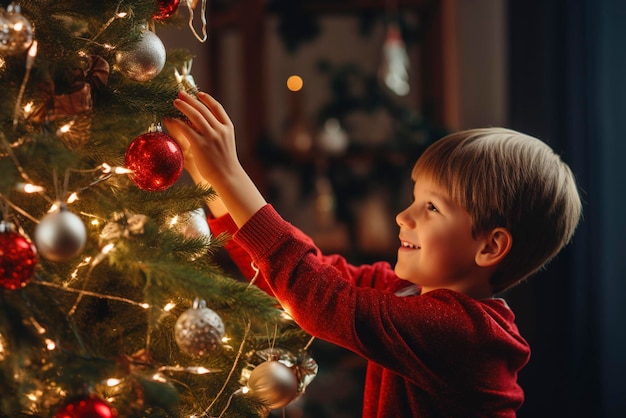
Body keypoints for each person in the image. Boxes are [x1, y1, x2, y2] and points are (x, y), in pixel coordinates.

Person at [164, 90, 582, 417]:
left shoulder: (464, 333)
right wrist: (215, 188)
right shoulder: (407, 291)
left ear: (490, 247)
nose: (404, 216)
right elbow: (300, 278)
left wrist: (231, 175)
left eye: (431, 208)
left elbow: (320, 297)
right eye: (415, 199)